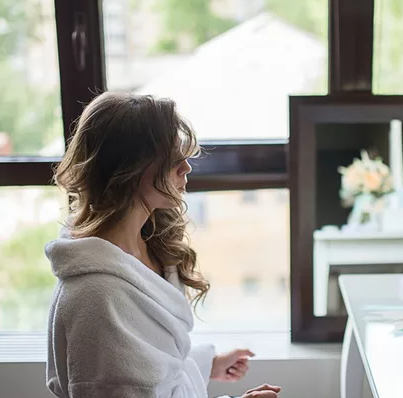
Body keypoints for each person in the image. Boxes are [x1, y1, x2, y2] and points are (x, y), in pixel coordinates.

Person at [44, 92, 281, 398]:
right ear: (128, 167)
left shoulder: (148, 245)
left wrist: (206, 365)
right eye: (173, 159)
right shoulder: (94, 294)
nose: (187, 168)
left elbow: (148, 370)